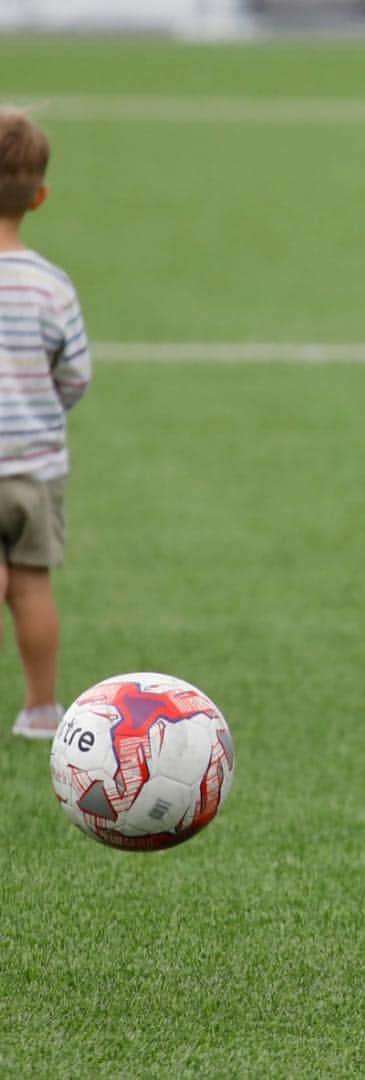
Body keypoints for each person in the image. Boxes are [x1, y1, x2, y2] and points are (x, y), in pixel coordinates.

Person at [0, 107, 91, 739]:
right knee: (31, 587)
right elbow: (76, 374)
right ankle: (39, 708)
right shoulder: (52, 285)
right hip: (34, 466)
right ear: (41, 196)